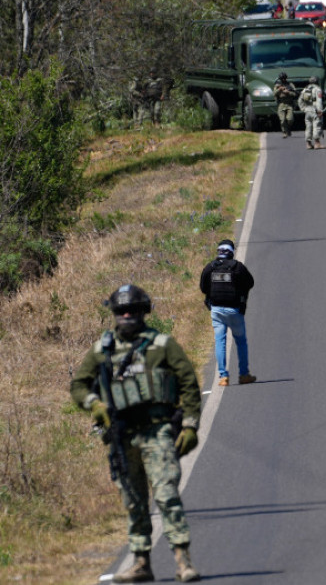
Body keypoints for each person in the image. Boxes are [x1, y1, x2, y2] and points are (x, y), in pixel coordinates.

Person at [70, 285, 202, 583]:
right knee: (133, 500)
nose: (127, 315)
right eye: (121, 310)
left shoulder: (162, 345)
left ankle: (183, 561)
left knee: (166, 494)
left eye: (133, 310)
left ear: (144, 312)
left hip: (157, 432)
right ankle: (141, 562)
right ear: (114, 313)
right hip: (122, 435)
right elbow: (78, 385)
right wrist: (94, 404)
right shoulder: (102, 350)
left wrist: (191, 425)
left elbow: (188, 383)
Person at [199, 239, 256, 386]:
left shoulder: (210, 267)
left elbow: (203, 287)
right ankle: (244, 375)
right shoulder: (238, 267)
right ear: (231, 252)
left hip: (216, 310)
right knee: (241, 341)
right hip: (234, 310)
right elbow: (250, 282)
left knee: (220, 341)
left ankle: (223, 377)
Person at [297, 77, 324, 150]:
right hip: (315, 110)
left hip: (307, 110)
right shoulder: (318, 89)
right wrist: (319, 110)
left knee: (308, 127)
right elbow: (319, 101)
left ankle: (308, 144)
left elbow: (300, 100)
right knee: (317, 126)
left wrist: (303, 109)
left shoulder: (305, 89)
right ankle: (317, 143)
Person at [273, 72, 298, 138]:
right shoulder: (277, 86)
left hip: (289, 104)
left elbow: (295, 93)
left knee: (290, 119)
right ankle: (284, 132)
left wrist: (288, 92)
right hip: (281, 104)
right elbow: (274, 93)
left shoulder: (290, 85)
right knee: (282, 120)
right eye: (282, 79)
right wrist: (279, 89)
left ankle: (288, 128)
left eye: (284, 78)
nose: (283, 80)